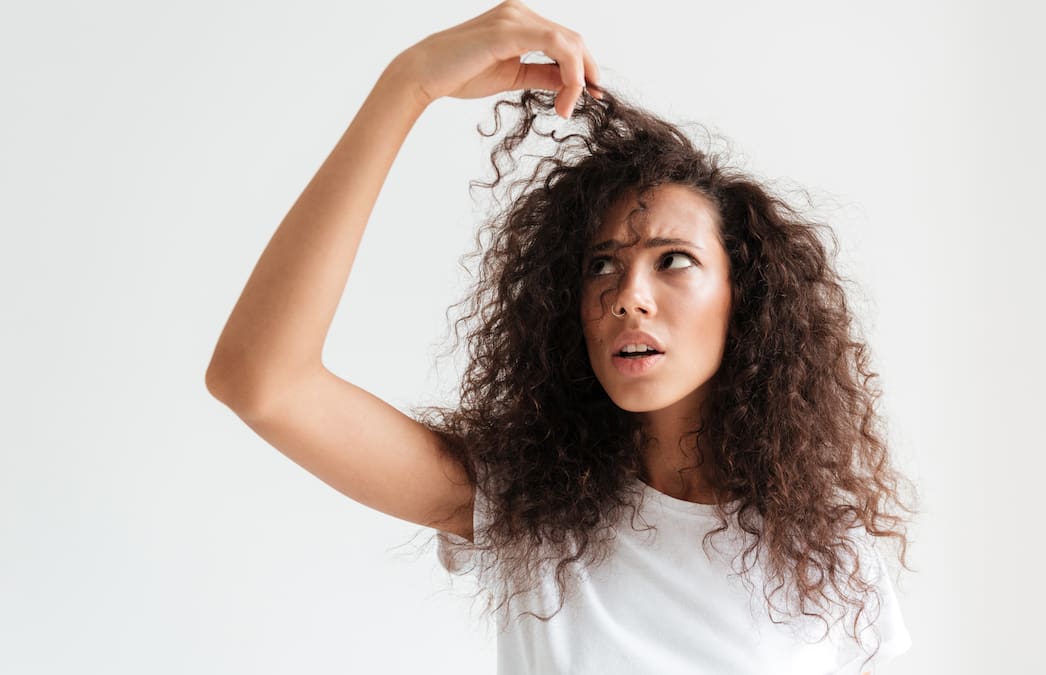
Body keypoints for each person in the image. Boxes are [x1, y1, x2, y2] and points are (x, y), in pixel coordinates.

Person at [205, 2, 917, 673]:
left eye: (674, 260)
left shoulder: (832, 563)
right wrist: (408, 84)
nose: (627, 297)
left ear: (747, 299)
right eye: (601, 265)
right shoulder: (528, 510)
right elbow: (263, 381)